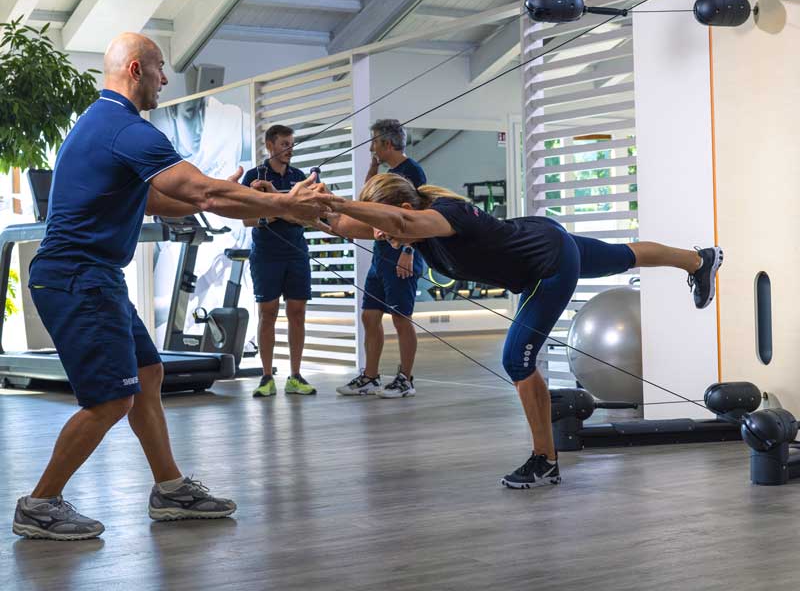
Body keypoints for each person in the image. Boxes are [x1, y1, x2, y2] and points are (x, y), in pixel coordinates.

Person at [13, 32, 334, 541]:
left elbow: (159, 200)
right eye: (160, 67)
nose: (165, 78)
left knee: (148, 373)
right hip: (78, 276)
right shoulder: (125, 128)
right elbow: (201, 191)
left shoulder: (101, 124)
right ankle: (39, 504)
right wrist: (283, 204)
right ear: (136, 69)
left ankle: (170, 489)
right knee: (110, 400)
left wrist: (240, 197)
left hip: (93, 275)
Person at [324, 173, 723, 488]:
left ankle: (544, 461)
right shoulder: (411, 225)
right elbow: (342, 223)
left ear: (406, 207)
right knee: (623, 256)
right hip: (543, 237)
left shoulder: (443, 215)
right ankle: (698, 260)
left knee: (516, 360)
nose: (379, 236)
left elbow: (397, 222)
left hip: (547, 265)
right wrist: (297, 204)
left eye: (381, 225)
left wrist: (339, 203)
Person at [336, 120, 426, 399]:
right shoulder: (388, 173)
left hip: (401, 255)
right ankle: (370, 377)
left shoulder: (411, 172)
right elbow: (365, 205)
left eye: (374, 142)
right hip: (381, 255)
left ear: (387, 143)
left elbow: (417, 216)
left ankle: (405, 380)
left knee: (401, 318)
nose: (371, 148)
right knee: (369, 316)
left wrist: (408, 252)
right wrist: (373, 168)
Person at [241, 125, 316, 397]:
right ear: (270, 145)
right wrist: (280, 214)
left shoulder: (299, 178)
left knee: (297, 313)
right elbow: (247, 219)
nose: (290, 149)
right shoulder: (254, 176)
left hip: (296, 252)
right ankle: (266, 377)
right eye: (285, 143)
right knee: (268, 314)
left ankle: (295, 376)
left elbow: (310, 218)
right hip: (266, 255)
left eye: (292, 144)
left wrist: (277, 211)